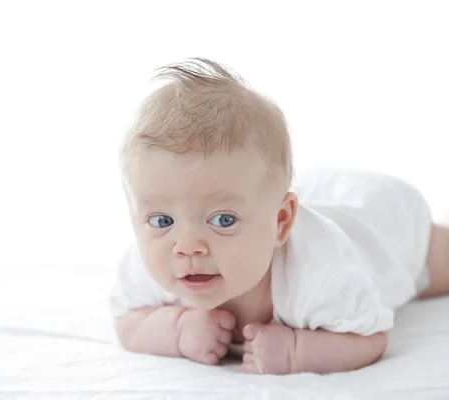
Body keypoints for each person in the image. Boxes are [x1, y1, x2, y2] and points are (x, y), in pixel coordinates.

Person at [108, 58, 449, 374]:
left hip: (385, 225)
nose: (187, 247)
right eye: (161, 221)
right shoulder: (149, 265)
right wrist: (177, 330)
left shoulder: (324, 277)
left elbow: (370, 336)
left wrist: (296, 350)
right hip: (309, 195)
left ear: (281, 223)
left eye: (223, 220)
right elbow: (126, 320)